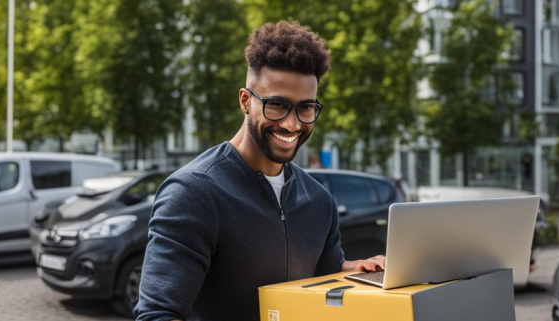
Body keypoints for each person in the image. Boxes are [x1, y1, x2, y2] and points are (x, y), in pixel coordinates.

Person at [135, 21, 385, 321]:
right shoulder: (193, 192)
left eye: (306, 108)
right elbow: (158, 315)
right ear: (245, 101)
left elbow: (324, 275)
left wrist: (357, 269)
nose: (292, 124)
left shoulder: (319, 200)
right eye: (277, 104)